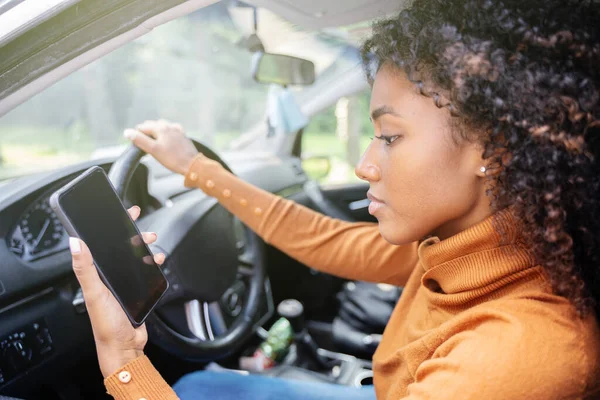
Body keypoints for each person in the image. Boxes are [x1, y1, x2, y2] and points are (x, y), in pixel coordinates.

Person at [69, 0, 600, 398]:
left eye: (389, 137)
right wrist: (196, 169)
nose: (365, 165)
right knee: (206, 385)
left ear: (497, 149)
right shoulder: (472, 246)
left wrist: (122, 358)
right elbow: (330, 241)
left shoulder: (512, 357)